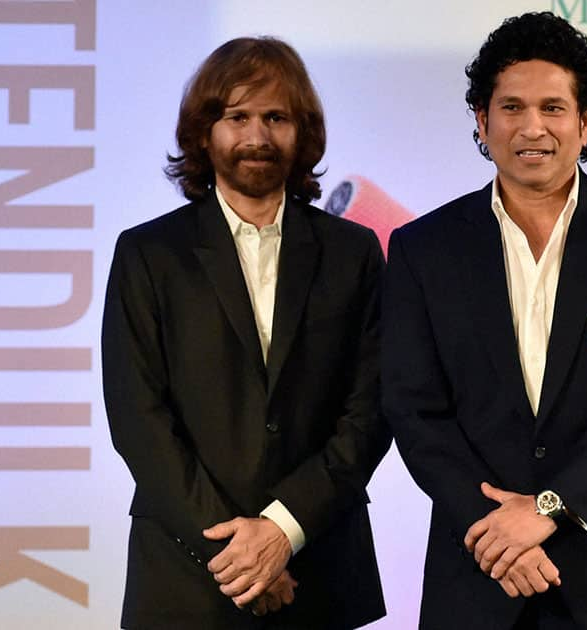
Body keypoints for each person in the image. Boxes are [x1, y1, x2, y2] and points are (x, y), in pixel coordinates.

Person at [382, 12, 587, 630]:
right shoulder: (424, 248)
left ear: (586, 123)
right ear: (482, 120)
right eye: (512, 107)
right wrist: (497, 532)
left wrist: (550, 508)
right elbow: (414, 409)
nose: (533, 128)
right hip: (482, 575)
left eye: (554, 108)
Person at [101, 37, 390, 629]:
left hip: (321, 573)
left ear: (302, 133)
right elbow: (138, 418)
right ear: (204, 133)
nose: (257, 136)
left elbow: (372, 409)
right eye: (237, 117)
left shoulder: (354, 252)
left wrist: (283, 531)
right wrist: (237, 558)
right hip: (185, 579)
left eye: (276, 118)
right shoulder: (148, 254)